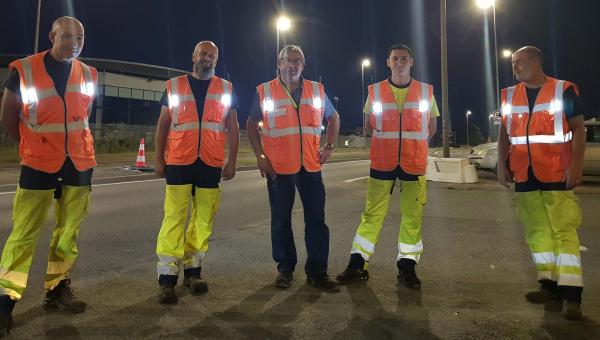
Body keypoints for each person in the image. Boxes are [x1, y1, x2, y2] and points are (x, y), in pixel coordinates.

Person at [0, 16, 97, 333]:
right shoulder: (25, 69)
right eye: (67, 36)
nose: (74, 43)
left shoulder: (88, 73)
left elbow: (83, 115)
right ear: (51, 36)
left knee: (68, 232)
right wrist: (28, 144)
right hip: (39, 162)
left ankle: (57, 289)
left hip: (79, 162)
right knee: (24, 232)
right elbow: (9, 114)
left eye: (79, 37)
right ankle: (5, 300)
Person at [336, 44, 438, 289]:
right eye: (395, 59)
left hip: (413, 164)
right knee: (372, 214)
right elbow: (370, 125)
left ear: (412, 62)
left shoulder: (425, 92)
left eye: (404, 58)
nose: (400, 62)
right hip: (383, 162)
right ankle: (358, 263)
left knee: (412, 217)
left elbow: (432, 126)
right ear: (388, 62)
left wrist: (414, 147)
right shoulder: (376, 91)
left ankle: (407, 267)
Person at [497, 46, 586, 320]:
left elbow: (578, 129)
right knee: (537, 232)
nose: (515, 67)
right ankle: (548, 285)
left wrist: (575, 166)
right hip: (525, 173)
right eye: (513, 63)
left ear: (536, 62)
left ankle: (571, 294)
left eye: (520, 62)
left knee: (563, 230)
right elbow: (504, 132)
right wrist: (503, 164)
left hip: (556, 172)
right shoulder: (510, 95)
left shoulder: (563, 90)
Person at [246, 45, 340, 292]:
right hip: (278, 167)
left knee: (316, 220)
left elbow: (334, 117)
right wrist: (261, 156)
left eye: (297, 61)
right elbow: (250, 124)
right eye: (287, 60)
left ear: (303, 65)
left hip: (310, 165)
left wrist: (329, 146)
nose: (292, 65)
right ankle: (285, 269)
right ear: (278, 64)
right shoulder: (265, 91)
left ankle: (317, 271)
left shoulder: (316, 91)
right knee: (280, 220)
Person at [154, 41, 239, 304]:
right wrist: (158, 158)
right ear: (194, 56)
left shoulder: (226, 89)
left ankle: (193, 271)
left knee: (203, 220)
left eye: (212, 56)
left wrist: (232, 161)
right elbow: (163, 125)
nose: (208, 59)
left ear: (217, 59)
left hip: (210, 164)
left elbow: (233, 128)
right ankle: (167, 278)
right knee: (174, 218)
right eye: (203, 54)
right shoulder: (174, 86)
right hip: (179, 161)